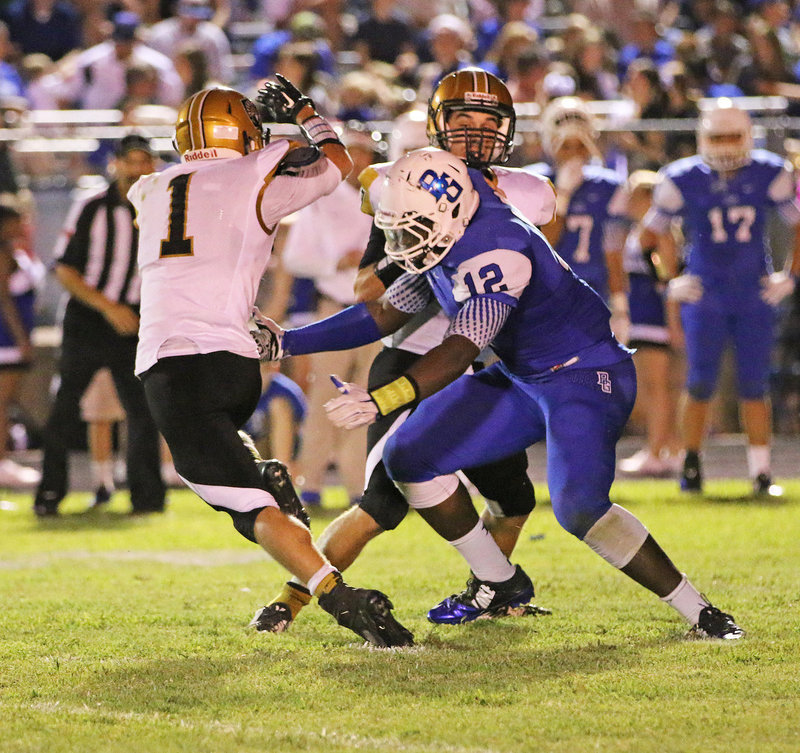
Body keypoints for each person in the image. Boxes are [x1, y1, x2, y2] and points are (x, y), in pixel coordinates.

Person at [254, 145, 745, 640]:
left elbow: (460, 347)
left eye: (412, 228)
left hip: (585, 374)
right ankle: (500, 581)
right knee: (408, 457)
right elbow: (381, 313)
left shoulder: (497, 247)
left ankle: (700, 611)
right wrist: (285, 339)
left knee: (578, 507)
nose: (402, 240)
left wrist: (383, 398)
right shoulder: (444, 230)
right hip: (522, 375)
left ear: (450, 213)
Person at [251, 69, 555, 633]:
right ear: (438, 126)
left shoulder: (528, 190)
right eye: (463, 119)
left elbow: (536, 278)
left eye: (489, 120)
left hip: (482, 366)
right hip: (417, 355)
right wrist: (418, 240)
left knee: (514, 498)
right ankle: (287, 603)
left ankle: (492, 590)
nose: (477, 131)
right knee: (379, 507)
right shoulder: (399, 184)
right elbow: (369, 290)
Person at [128, 82, 412, 648]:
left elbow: (193, 252)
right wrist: (305, 115)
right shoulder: (259, 166)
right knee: (234, 475)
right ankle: (259, 471)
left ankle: (338, 598)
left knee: (240, 503)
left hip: (172, 360)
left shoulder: (149, 188)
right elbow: (336, 164)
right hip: (238, 359)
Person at [644, 99, 800, 496]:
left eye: (734, 136)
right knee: (699, 382)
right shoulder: (682, 177)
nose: (727, 145)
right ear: (702, 139)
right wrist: (668, 281)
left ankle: (762, 473)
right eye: (718, 137)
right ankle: (691, 464)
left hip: (753, 292)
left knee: (754, 384)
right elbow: (647, 238)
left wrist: (791, 276)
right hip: (706, 292)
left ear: (748, 136)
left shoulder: (771, 172)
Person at [32, 135, 164, 516]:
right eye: (130, 161)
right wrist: (108, 307)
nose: (137, 169)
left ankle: (148, 499)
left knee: (143, 411)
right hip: (89, 319)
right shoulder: (90, 206)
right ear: (115, 164)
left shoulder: (162, 207)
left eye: (144, 161)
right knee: (64, 409)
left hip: (137, 321)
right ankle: (50, 494)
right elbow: (64, 268)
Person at [280, 128, 382, 509]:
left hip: (378, 310)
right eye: (352, 153)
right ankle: (312, 480)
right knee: (325, 395)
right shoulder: (323, 200)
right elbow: (294, 259)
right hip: (336, 308)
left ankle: (359, 484)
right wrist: (336, 262)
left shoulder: (386, 197)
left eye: (365, 153)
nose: (360, 161)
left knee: (371, 397)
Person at [534, 96, 630, 344]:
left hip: (594, 291)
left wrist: (619, 302)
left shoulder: (610, 185)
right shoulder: (534, 181)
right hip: (547, 292)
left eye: (580, 146)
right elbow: (544, 245)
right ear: (550, 144)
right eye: (566, 146)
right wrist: (563, 195)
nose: (574, 154)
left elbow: (614, 248)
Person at [617, 170, 682, 477]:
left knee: (657, 389)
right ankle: (668, 447)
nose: (627, 200)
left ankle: (657, 451)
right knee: (655, 389)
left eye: (633, 193)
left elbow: (668, 280)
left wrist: (673, 325)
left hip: (655, 318)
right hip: (641, 317)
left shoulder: (661, 232)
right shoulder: (639, 230)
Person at [0, 201, 42, 488]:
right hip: (6, 340)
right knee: (2, 403)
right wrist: (21, 338)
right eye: (16, 221)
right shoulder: (3, 255)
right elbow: (4, 298)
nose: (21, 225)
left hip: (14, 338)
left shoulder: (17, 251)